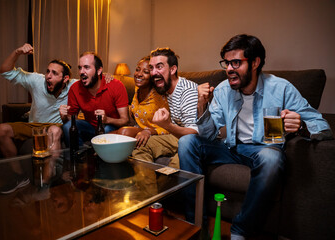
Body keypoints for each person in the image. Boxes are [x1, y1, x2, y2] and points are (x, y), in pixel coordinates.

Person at [178, 34, 333, 239]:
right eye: (226, 63)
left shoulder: (281, 88)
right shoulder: (224, 89)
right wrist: (201, 106)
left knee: (271, 157)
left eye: (236, 62)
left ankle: (240, 230)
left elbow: (323, 126)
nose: (229, 69)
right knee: (187, 141)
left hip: (264, 150)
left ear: (255, 62)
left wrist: (301, 126)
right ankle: (195, 223)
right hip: (231, 147)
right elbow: (208, 134)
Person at [0, 43, 75, 194]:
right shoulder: (36, 80)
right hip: (33, 125)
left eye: (54, 73)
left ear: (65, 79)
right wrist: (17, 52)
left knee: (54, 131)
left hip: (54, 126)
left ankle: (44, 184)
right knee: (1, 130)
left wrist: (107, 77)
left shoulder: (74, 85)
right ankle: (19, 177)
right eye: (47, 71)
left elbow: (94, 80)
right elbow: (4, 71)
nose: (48, 76)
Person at [131, 48, 198, 168]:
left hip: (193, 139)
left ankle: (167, 185)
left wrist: (167, 125)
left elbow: (193, 133)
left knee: (175, 165)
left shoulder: (187, 90)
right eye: (151, 68)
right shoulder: (162, 88)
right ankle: (148, 187)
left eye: (159, 67)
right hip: (175, 136)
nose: (153, 72)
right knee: (140, 146)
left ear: (173, 69)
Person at [60, 52, 129, 146]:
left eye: (86, 67)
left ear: (99, 70)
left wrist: (107, 120)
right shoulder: (75, 88)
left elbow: (125, 120)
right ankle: (79, 158)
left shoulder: (116, 86)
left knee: (107, 130)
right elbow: (72, 121)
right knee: (68, 127)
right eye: (80, 68)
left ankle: (102, 159)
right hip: (90, 127)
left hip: (111, 127)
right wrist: (64, 116)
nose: (81, 72)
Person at [115, 56, 169, 148]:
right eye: (137, 70)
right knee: (105, 135)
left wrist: (148, 132)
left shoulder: (160, 97)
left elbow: (169, 127)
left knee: (123, 132)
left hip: (156, 132)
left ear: (153, 76)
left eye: (146, 72)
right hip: (138, 128)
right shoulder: (138, 89)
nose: (139, 74)